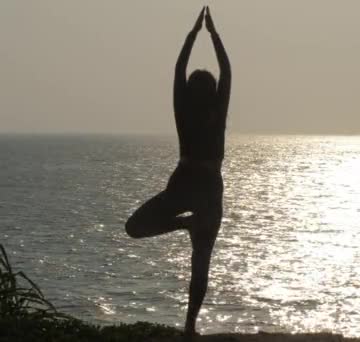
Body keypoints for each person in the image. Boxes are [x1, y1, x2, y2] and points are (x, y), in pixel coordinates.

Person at [125, 5, 231, 337]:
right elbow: (227, 72)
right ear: (212, 92)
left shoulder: (184, 110)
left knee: (137, 227)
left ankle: (189, 327)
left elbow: (179, 70)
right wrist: (213, 35)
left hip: (187, 184)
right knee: (201, 260)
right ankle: (189, 327)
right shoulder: (215, 111)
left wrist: (193, 35)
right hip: (205, 187)